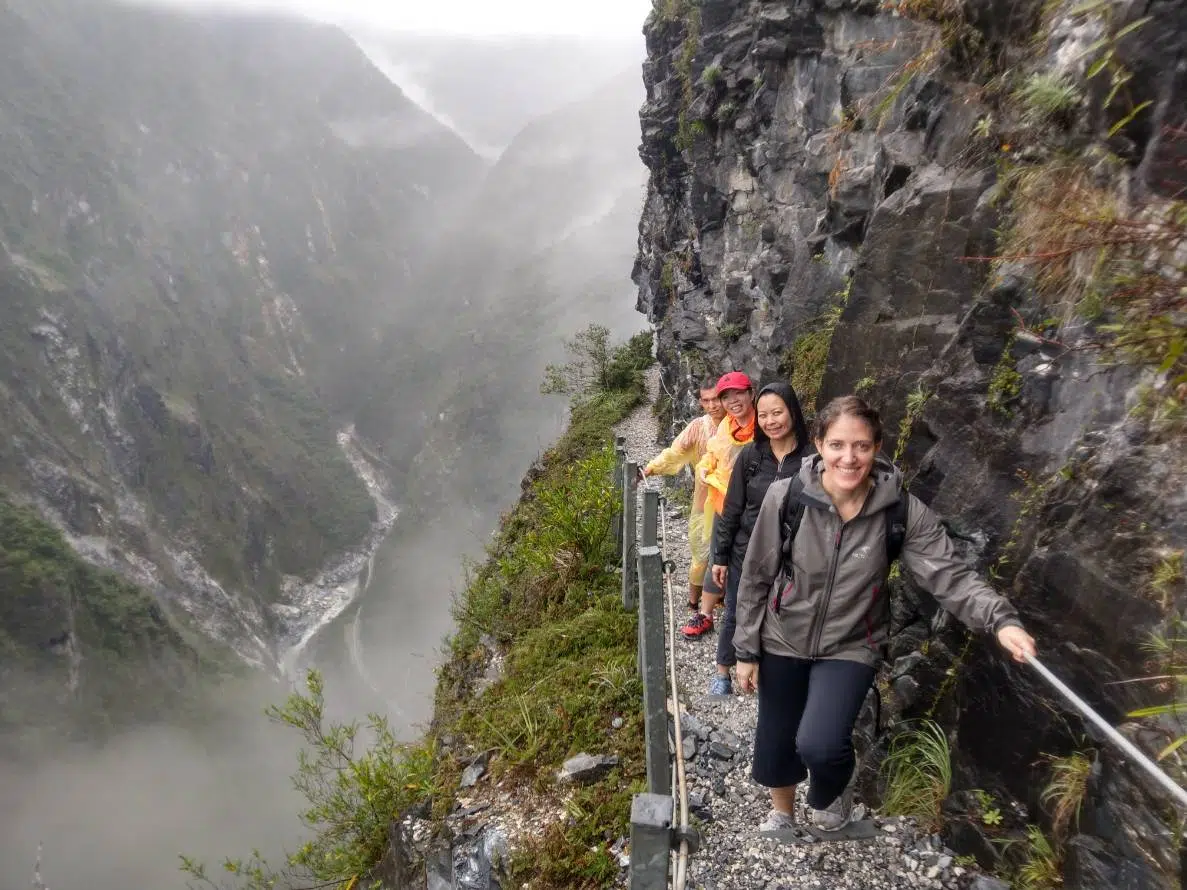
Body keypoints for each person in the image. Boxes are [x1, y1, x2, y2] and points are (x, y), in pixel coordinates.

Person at [732, 395, 1037, 833]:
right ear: (818, 443)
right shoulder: (788, 496)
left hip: (853, 642)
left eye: (861, 446)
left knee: (819, 743)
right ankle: (782, 812)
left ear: (877, 447)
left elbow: (948, 573)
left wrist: (1001, 620)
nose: (848, 457)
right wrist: (745, 649)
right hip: (782, 635)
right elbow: (757, 576)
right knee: (777, 736)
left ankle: (831, 794)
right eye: (837, 444)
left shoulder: (899, 510)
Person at [706, 382, 811, 695]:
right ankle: (723, 671)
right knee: (737, 612)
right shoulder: (752, 455)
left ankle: (769, 675)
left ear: (793, 411)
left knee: (782, 616)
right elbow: (732, 509)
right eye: (764, 415)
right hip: (746, 552)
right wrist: (720, 557)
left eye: (778, 412)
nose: (770, 420)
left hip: (791, 557)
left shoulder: (811, 459)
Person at [640, 379, 726, 611]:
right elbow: (676, 453)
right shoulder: (698, 427)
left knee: (728, 550)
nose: (712, 405)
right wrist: (652, 468)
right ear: (700, 402)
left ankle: (721, 597)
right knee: (700, 550)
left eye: (716, 399)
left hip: (732, 499)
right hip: (704, 498)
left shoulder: (738, 424)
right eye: (706, 400)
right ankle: (693, 601)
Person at [683, 370, 757, 639]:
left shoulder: (763, 427)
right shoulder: (728, 426)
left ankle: (742, 620)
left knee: (750, 562)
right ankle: (705, 614)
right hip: (723, 506)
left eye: (738, 393)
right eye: (727, 396)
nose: (732, 401)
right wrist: (703, 467)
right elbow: (713, 454)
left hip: (753, 510)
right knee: (718, 557)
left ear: (751, 393)